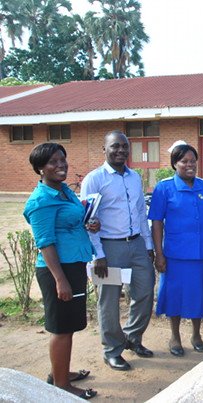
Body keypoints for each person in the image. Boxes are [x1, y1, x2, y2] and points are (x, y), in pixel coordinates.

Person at [23, 143, 97, 400]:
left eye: (62, 160)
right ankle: (62, 386)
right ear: (40, 169)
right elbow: (45, 242)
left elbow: (72, 222)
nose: (60, 165)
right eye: (53, 162)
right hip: (58, 270)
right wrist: (60, 280)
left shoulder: (64, 191)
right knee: (61, 328)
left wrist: (89, 224)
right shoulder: (41, 201)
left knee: (70, 325)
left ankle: (60, 372)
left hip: (73, 265)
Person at [81, 130, 155, 371]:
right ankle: (112, 350)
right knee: (109, 301)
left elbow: (141, 215)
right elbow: (89, 219)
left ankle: (132, 338)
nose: (121, 150)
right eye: (115, 146)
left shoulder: (134, 178)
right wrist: (98, 254)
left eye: (124, 146)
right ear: (104, 149)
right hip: (109, 248)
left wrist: (148, 245)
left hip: (136, 245)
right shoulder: (94, 179)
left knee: (144, 293)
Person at [148, 144, 203, 357]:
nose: (189, 165)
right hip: (175, 255)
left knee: (198, 295)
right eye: (184, 162)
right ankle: (175, 336)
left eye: (192, 161)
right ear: (174, 164)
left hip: (200, 254)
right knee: (175, 296)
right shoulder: (164, 188)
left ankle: (196, 334)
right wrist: (159, 254)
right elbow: (157, 223)